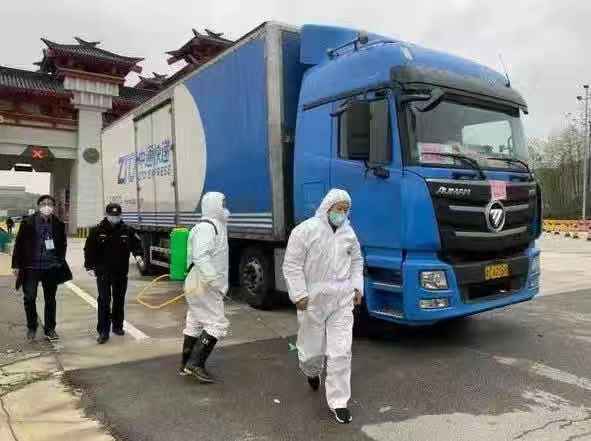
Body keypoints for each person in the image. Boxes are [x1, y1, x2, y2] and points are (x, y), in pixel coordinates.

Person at [282, 189, 364, 424]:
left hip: (341, 301)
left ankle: (339, 402)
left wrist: (357, 287)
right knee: (312, 352)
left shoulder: (349, 233)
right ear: (328, 207)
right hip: (313, 302)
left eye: (346, 209)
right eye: (339, 208)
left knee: (341, 352)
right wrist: (299, 294)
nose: (342, 213)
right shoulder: (305, 231)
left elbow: (357, 261)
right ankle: (311, 371)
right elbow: (292, 264)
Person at [180, 192, 230, 383]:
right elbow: (200, 256)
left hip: (200, 282)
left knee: (195, 321)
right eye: (222, 204)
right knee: (217, 324)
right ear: (213, 205)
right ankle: (195, 364)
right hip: (203, 283)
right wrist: (214, 280)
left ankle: (185, 365)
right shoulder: (207, 227)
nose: (225, 207)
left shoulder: (215, 225)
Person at [11, 195, 72, 341]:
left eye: (50, 204)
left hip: (50, 267)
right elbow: (19, 244)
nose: (47, 206)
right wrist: (16, 265)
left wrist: (59, 260)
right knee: (29, 297)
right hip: (31, 267)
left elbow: (63, 244)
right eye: (44, 203)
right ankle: (32, 327)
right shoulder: (28, 222)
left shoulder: (58, 224)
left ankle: (50, 329)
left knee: (50, 299)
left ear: (53, 207)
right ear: (39, 206)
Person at [84, 203, 143, 344]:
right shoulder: (97, 230)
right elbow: (89, 249)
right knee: (104, 301)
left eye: (117, 215)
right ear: (106, 215)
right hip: (103, 272)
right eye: (112, 215)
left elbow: (136, 244)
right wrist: (89, 266)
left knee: (119, 300)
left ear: (120, 215)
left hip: (121, 272)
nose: (115, 218)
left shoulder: (127, 230)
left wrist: (138, 255)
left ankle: (117, 326)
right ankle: (103, 331)